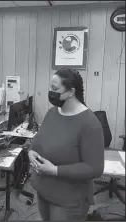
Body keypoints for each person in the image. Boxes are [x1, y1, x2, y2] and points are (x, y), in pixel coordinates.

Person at [28, 68, 104, 220]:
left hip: (69, 200)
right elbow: (39, 140)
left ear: (71, 92)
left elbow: (95, 168)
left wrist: (55, 170)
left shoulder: (89, 123)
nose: (51, 92)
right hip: (44, 190)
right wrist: (31, 151)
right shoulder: (52, 113)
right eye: (50, 87)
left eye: (55, 89)